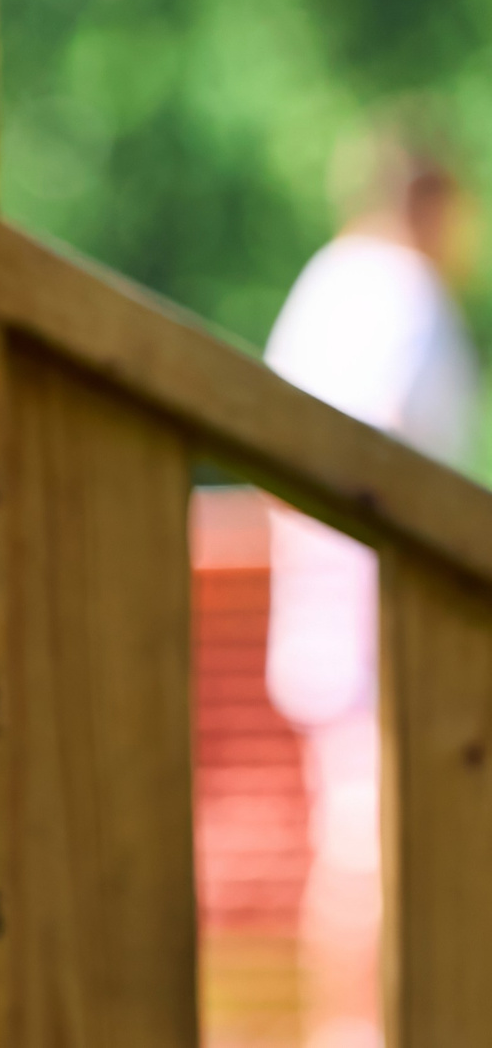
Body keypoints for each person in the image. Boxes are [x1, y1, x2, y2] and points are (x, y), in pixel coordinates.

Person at [263, 126, 479, 1048]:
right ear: (431, 204)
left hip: (326, 611)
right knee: (382, 845)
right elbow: (388, 446)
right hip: (388, 617)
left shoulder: (326, 282)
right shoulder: (401, 293)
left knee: (353, 840)